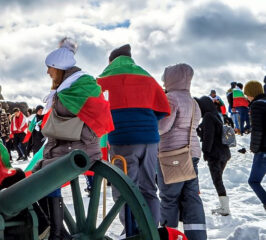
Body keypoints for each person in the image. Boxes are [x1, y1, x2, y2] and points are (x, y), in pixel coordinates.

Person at [37, 38, 111, 240]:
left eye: (50, 68)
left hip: (76, 148)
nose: (48, 73)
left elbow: (64, 112)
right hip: (80, 145)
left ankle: (55, 230)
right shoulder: (80, 86)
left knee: (42, 180)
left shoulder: (72, 91)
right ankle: (54, 228)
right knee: (38, 176)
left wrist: (57, 96)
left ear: (59, 68)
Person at [97, 44, 170, 230]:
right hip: (150, 140)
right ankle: (151, 230)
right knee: (149, 188)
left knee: (125, 189)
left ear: (111, 60)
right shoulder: (146, 76)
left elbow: (96, 108)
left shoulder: (104, 78)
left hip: (122, 139)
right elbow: (163, 108)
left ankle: (133, 231)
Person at [157, 63, 205, 240]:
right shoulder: (193, 102)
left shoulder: (170, 99)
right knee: (191, 197)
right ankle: (197, 236)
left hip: (171, 154)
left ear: (171, 79)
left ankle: (169, 236)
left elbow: (163, 127)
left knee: (169, 198)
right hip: (191, 154)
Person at [195, 96, 231, 216]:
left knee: (217, 180)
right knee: (218, 180)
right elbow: (210, 134)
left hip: (215, 153)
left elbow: (208, 137)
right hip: (224, 152)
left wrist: (205, 152)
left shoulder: (207, 117)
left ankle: (225, 208)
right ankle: (224, 206)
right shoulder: (216, 115)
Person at [244, 80, 266, 210]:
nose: (246, 97)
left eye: (247, 94)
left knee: (253, 181)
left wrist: (254, 148)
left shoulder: (257, 105)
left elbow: (257, 130)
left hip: (263, 150)